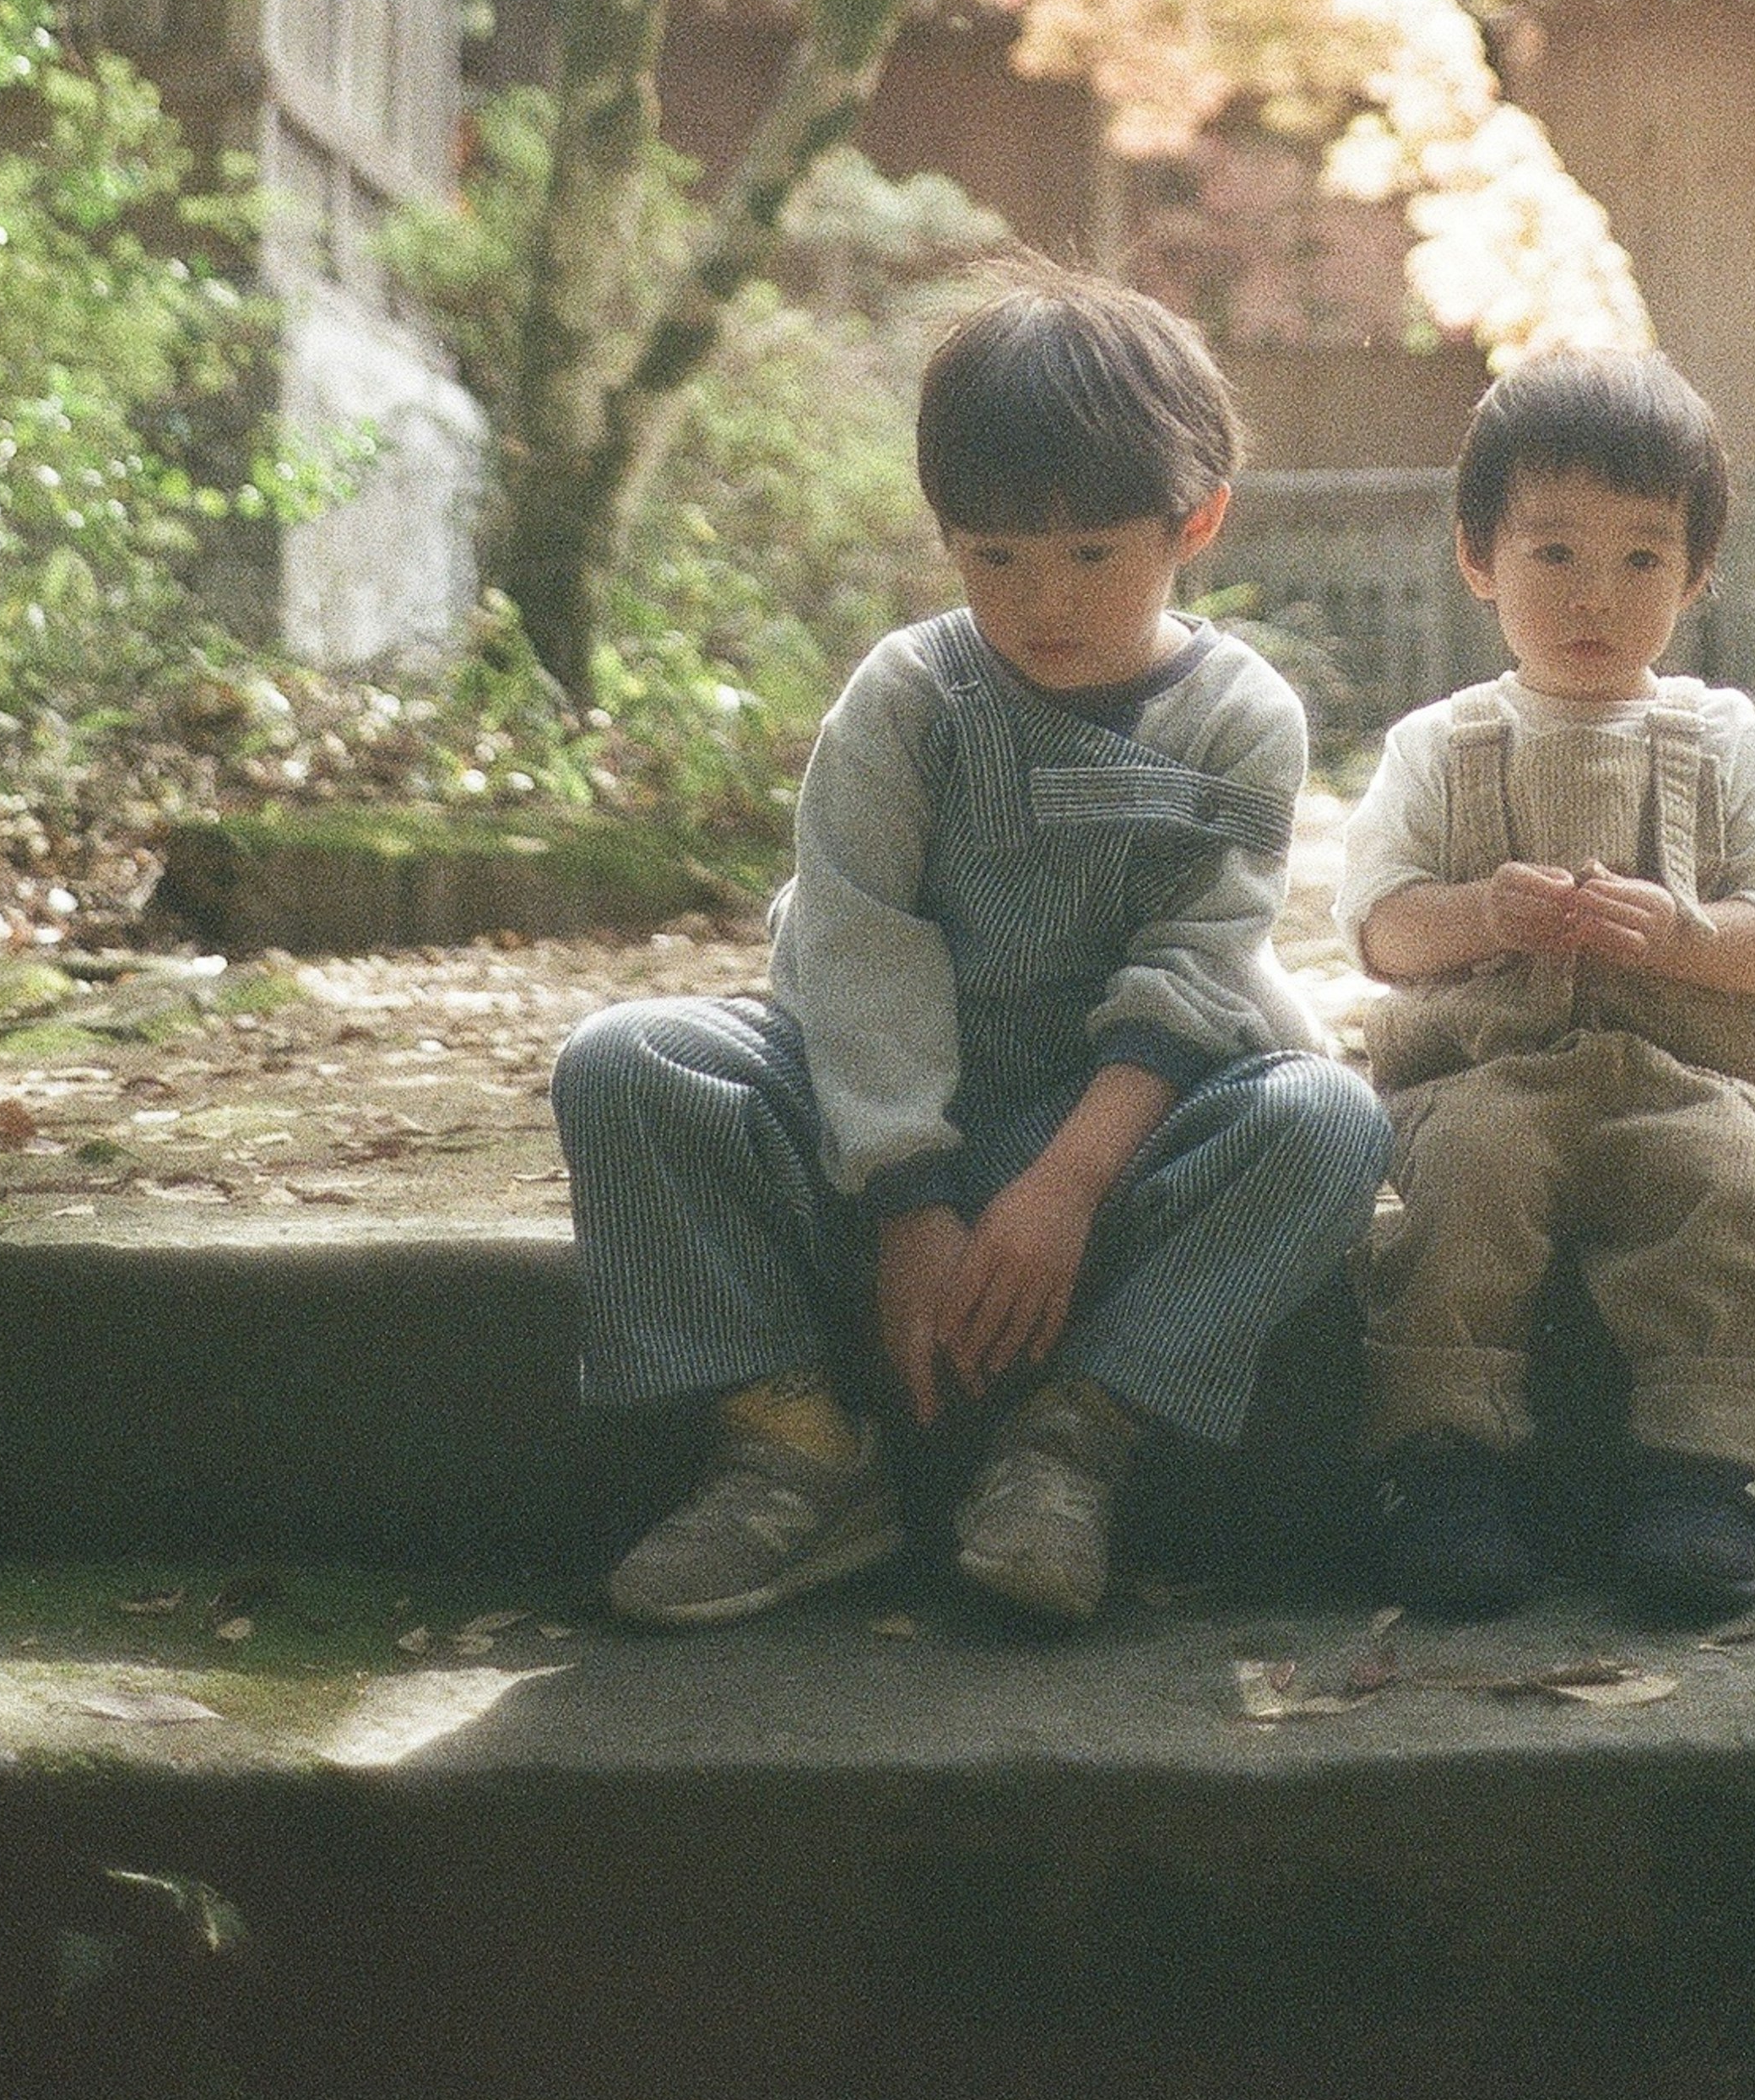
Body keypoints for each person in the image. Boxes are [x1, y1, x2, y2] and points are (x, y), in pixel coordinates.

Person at [554, 274, 1390, 1632]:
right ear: (947, 536)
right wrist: (911, 1204)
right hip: (870, 1119)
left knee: (1328, 1120)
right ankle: (800, 1449)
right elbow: (854, 943)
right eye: (995, 557)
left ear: (1198, 522)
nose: (1041, 602)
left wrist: (1061, 1191)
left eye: (1092, 557)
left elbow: (1200, 964)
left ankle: (1070, 1444)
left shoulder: (1241, 716)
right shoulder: (909, 696)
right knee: (628, 1059)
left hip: (1117, 1134)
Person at [1336, 347, 1755, 1626]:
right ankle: (1444, 1465)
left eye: (1642, 559)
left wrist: (1686, 935)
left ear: (1693, 574)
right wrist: (1471, 913)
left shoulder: (1725, 739)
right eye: (1553, 553)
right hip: (1484, 1074)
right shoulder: (1438, 745)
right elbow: (1379, 929)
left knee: (1733, 1190)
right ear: (1479, 558)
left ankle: (1707, 1474)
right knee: (1469, 1180)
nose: (1596, 596)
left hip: (1696, 1072)